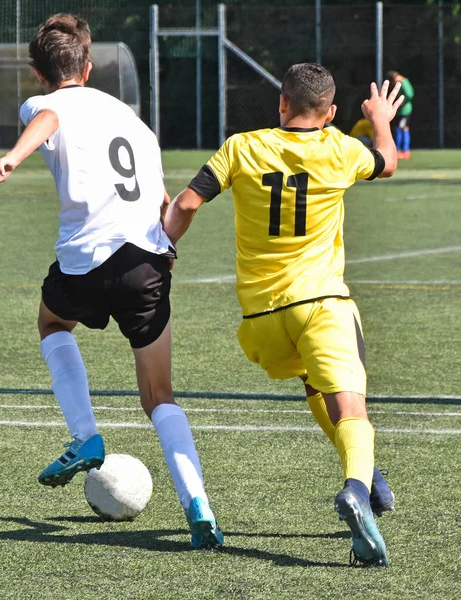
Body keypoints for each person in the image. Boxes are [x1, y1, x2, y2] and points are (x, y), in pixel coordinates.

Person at [0, 13, 223, 550]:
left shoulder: (46, 103)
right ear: (88, 68)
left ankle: (86, 436)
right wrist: (167, 253)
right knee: (160, 396)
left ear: (39, 74)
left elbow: (49, 121)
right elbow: (164, 205)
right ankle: (198, 504)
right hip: (146, 263)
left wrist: (13, 157)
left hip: (87, 258)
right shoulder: (136, 123)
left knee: (51, 322)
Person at [164, 63, 403, 566]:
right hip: (321, 307)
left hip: (261, 321)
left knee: (315, 386)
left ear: (281, 103)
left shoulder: (241, 147)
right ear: (331, 112)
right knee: (353, 409)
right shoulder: (339, 148)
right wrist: (380, 116)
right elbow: (387, 161)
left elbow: (186, 204)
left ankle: (369, 478)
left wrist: (163, 247)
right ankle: (358, 487)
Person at [387, 70, 414, 159]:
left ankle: (404, 151)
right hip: (400, 110)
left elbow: (410, 94)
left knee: (402, 129)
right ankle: (398, 150)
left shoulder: (404, 82)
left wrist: (402, 102)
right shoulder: (401, 82)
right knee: (399, 128)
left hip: (405, 111)